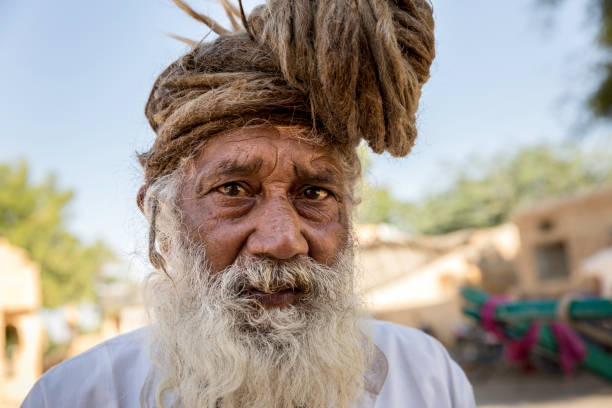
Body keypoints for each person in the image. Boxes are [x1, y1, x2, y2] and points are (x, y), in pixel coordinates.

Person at [22, 0, 476, 407]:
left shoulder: (427, 379)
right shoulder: (75, 396)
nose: (282, 240)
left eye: (315, 194)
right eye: (234, 189)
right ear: (162, 219)